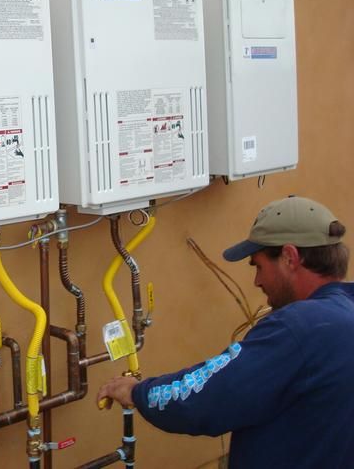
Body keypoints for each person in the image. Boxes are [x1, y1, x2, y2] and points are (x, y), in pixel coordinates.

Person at [97, 196, 354, 468]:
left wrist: (139, 392)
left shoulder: (301, 327)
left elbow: (205, 399)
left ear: (289, 257)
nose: (257, 281)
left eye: (258, 266)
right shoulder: (343, 315)